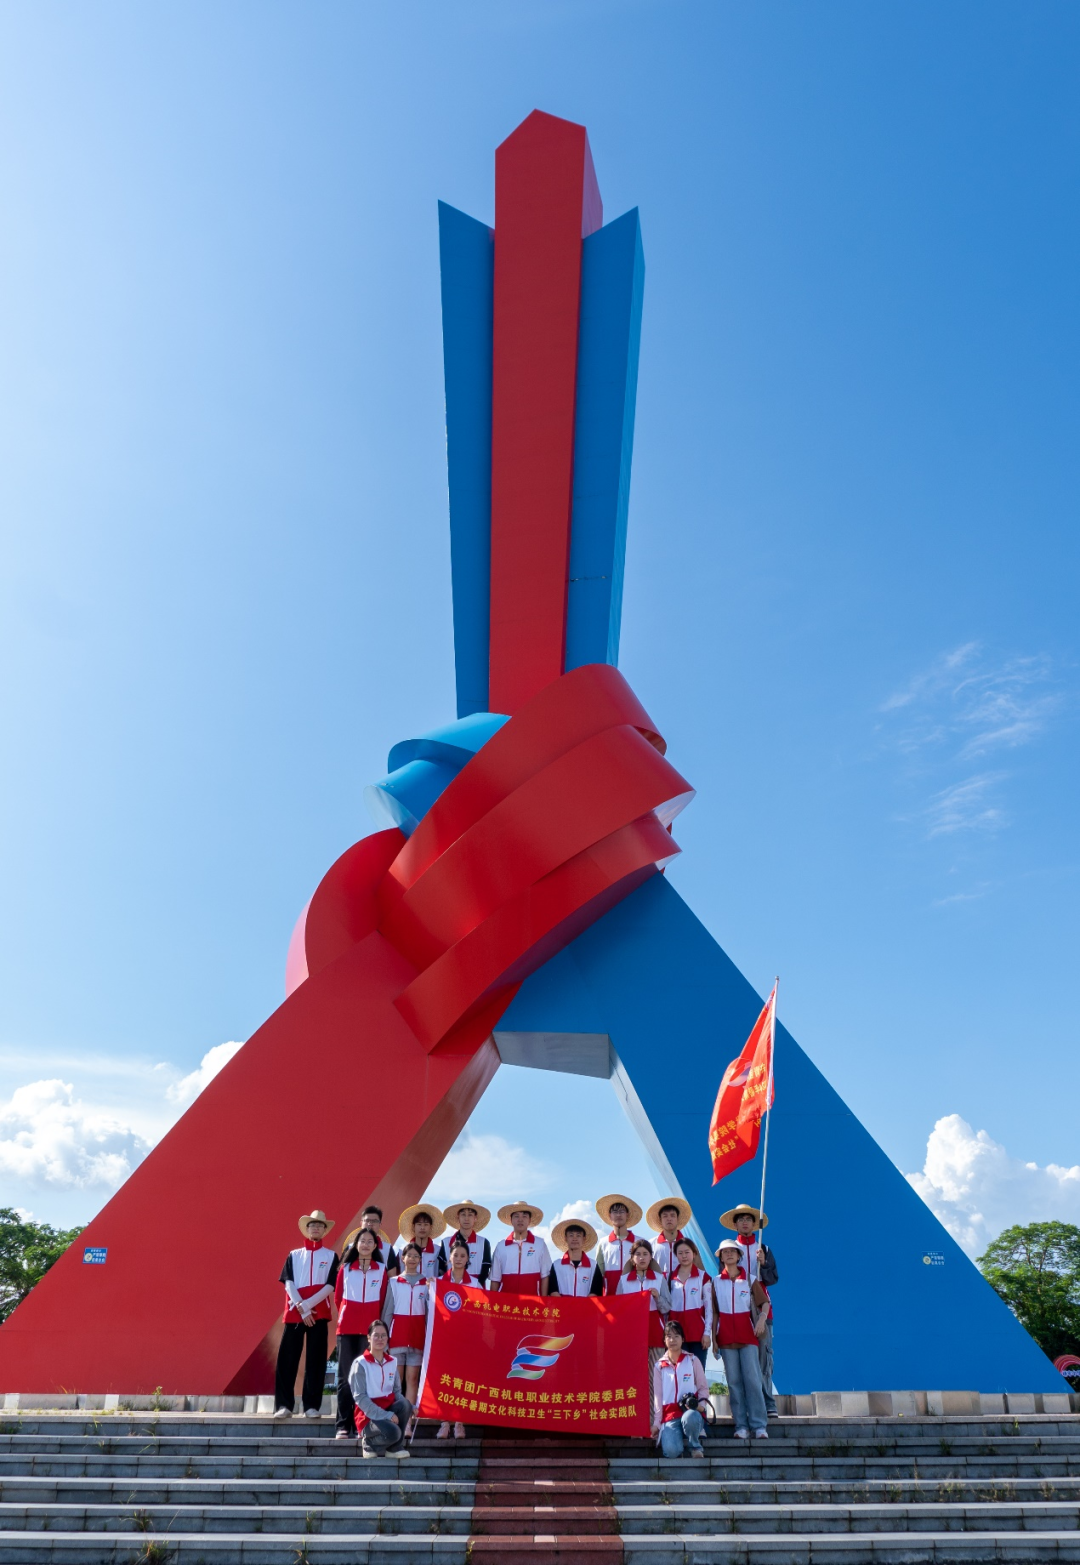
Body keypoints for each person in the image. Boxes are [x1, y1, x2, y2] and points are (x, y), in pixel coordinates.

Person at [274, 1209, 339, 1419]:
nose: (316, 1228)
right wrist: (301, 1307)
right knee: (287, 1358)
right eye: (312, 1225)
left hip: (319, 1312)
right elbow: (288, 1282)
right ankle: (283, 1405)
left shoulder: (331, 1256)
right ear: (307, 1229)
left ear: (324, 1230)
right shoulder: (294, 1255)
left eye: (320, 1225)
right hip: (295, 1312)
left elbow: (331, 1285)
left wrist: (309, 1305)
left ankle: (311, 1406)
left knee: (316, 1359)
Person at [719, 1203, 778, 1419]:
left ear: (754, 1224)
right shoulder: (729, 1249)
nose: (745, 1223)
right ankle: (744, 1407)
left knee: (763, 1358)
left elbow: (772, 1279)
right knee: (739, 1362)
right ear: (735, 1224)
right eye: (741, 1219)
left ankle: (768, 1402)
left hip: (761, 1308)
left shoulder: (764, 1248)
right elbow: (724, 1279)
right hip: (736, 1311)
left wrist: (764, 1263)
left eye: (748, 1219)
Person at [333, 1227, 390, 1439]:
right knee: (345, 1377)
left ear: (375, 1246)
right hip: (346, 1329)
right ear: (356, 1245)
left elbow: (383, 1300)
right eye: (362, 1241)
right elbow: (338, 1298)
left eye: (369, 1241)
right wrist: (348, 1315)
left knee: (367, 1378)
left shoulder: (381, 1269)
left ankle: (363, 1425)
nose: (365, 1244)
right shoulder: (346, 1268)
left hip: (370, 1333)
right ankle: (342, 1425)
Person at [712, 1235, 769, 1440]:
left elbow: (765, 1303)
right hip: (725, 1338)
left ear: (738, 1256)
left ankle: (759, 1426)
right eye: (725, 1252)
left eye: (732, 1251)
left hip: (748, 1336)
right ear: (721, 1257)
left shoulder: (750, 1279)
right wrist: (714, 1339)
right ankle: (741, 1426)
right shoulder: (715, 1282)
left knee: (753, 1380)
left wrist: (761, 1319)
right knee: (734, 1383)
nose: (728, 1254)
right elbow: (714, 1313)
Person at [347, 1318, 412, 1458]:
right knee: (394, 1432)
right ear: (368, 1338)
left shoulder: (392, 1362)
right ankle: (368, 1443)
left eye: (383, 1336)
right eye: (376, 1335)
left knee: (405, 1404)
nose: (380, 1339)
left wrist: (411, 1407)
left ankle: (394, 1448)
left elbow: (396, 1392)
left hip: (387, 1411)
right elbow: (360, 1398)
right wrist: (385, 1415)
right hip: (368, 1416)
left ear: (387, 1338)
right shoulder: (360, 1364)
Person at [383, 1242, 429, 1433]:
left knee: (412, 1379)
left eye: (416, 1256)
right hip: (396, 1338)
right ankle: (396, 1421)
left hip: (418, 1338)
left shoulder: (427, 1283)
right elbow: (387, 1312)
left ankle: (408, 1422)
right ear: (402, 1258)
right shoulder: (394, 1282)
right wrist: (384, 1339)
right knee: (396, 1381)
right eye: (409, 1255)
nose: (412, 1259)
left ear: (420, 1260)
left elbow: (429, 1314)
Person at [434, 1237, 476, 1439]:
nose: (459, 1259)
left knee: (462, 1380)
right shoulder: (439, 1282)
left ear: (468, 1259)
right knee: (444, 1381)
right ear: (449, 1258)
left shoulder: (475, 1283)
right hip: (444, 1338)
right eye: (455, 1255)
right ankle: (444, 1423)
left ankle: (460, 1423)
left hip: (466, 1340)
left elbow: (480, 1313)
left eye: (462, 1255)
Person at [651, 1319, 708, 1459]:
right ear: (664, 1340)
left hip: (690, 1412)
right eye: (669, 1336)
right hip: (670, 1416)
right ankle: (677, 1441)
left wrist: (701, 1406)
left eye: (676, 1336)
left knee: (691, 1417)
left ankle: (695, 1447)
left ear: (683, 1339)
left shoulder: (693, 1360)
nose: (672, 1340)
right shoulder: (659, 1366)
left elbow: (703, 1388)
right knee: (671, 1452)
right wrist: (657, 1423)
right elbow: (658, 1397)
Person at [617, 1238, 671, 1378]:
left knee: (656, 1374)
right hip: (632, 1332)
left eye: (645, 1254)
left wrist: (657, 1297)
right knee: (633, 1373)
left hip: (655, 1331)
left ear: (651, 1256)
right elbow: (618, 1309)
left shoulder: (659, 1279)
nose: (642, 1258)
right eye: (638, 1254)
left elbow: (666, 1308)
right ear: (632, 1258)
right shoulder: (623, 1280)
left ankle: (655, 1394)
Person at [668, 1237, 713, 1371]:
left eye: (687, 1252)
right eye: (680, 1253)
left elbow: (709, 1308)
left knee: (697, 1373)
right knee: (679, 1373)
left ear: (694, 1254)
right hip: (676, 1335)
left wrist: (707, 1333)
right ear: (676, 1255)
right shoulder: (670, 1277)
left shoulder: (703, 1277)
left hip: (698, 1335)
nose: (684, 1256)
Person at [489, 1202, 551, 1296]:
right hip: (506, 1301)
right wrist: (493, 1301)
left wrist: (544, 1300)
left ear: (529, 1220)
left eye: (524, 1216)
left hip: (533, 1301)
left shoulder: (540, 1244)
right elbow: (495, 1279)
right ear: (511, 1220)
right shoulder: (501, 1246)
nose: (520, 1220)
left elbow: (545, 1276)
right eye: (516, 1216)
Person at [595, 1194, 643, 1296]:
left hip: (634, 1295)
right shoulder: (603, 1243)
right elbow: (598, 1273)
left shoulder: (639, 1242)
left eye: (622, 1211)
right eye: (615, 1212)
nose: (618, 1215)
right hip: (610, 1296)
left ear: (627, 1215)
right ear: (610, 1215)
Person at [439, 1200, 492, 1286]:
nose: (466, 1218)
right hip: (450, 1288)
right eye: (463, 1214)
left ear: (475, 1218)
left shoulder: (484, 1243)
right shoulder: (445, 1242)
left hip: (476, 1289)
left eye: (470, 1215)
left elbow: (486, 1270)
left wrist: (474, 1285)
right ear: (458, 1218)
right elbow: (441, 1269)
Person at [548, 1218, 605, 1296]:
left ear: (584, 1239)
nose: (574, 1239)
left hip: (587, 1304)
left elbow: (596, 1292)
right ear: (565, 1238)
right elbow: (553, 1291)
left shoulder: (593, 1265)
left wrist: (582, 1304)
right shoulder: (556, 1265)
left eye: (578, 1235)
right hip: (562, 1304)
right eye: (571, 1235)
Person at [646, 1197, 693, 1281]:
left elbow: (698, 1268)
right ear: (660, 1220)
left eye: (672, 1215)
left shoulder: (688, 1244)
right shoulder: (650, 1244)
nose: (669, 1219)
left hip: (683, 1285)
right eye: (665, 1216)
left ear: (677, 1218)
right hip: (658, 1286)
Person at [397, 1203, 446, 1280]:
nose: (422, 1228)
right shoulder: (402, 1251)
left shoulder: (438, 1251)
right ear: (413, 1227)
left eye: (426, 1224)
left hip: (431, 1287)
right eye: (419, 1224)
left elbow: (444, 1275)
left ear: (431, 1227)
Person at [357, 1205, 399, 1276]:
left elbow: (392, 1278)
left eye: (374, 1221)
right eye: (367, 1220)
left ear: (380, 1224)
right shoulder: (350, 1247)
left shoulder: (387, 1249)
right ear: (361, 1223)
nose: (370, 1224)